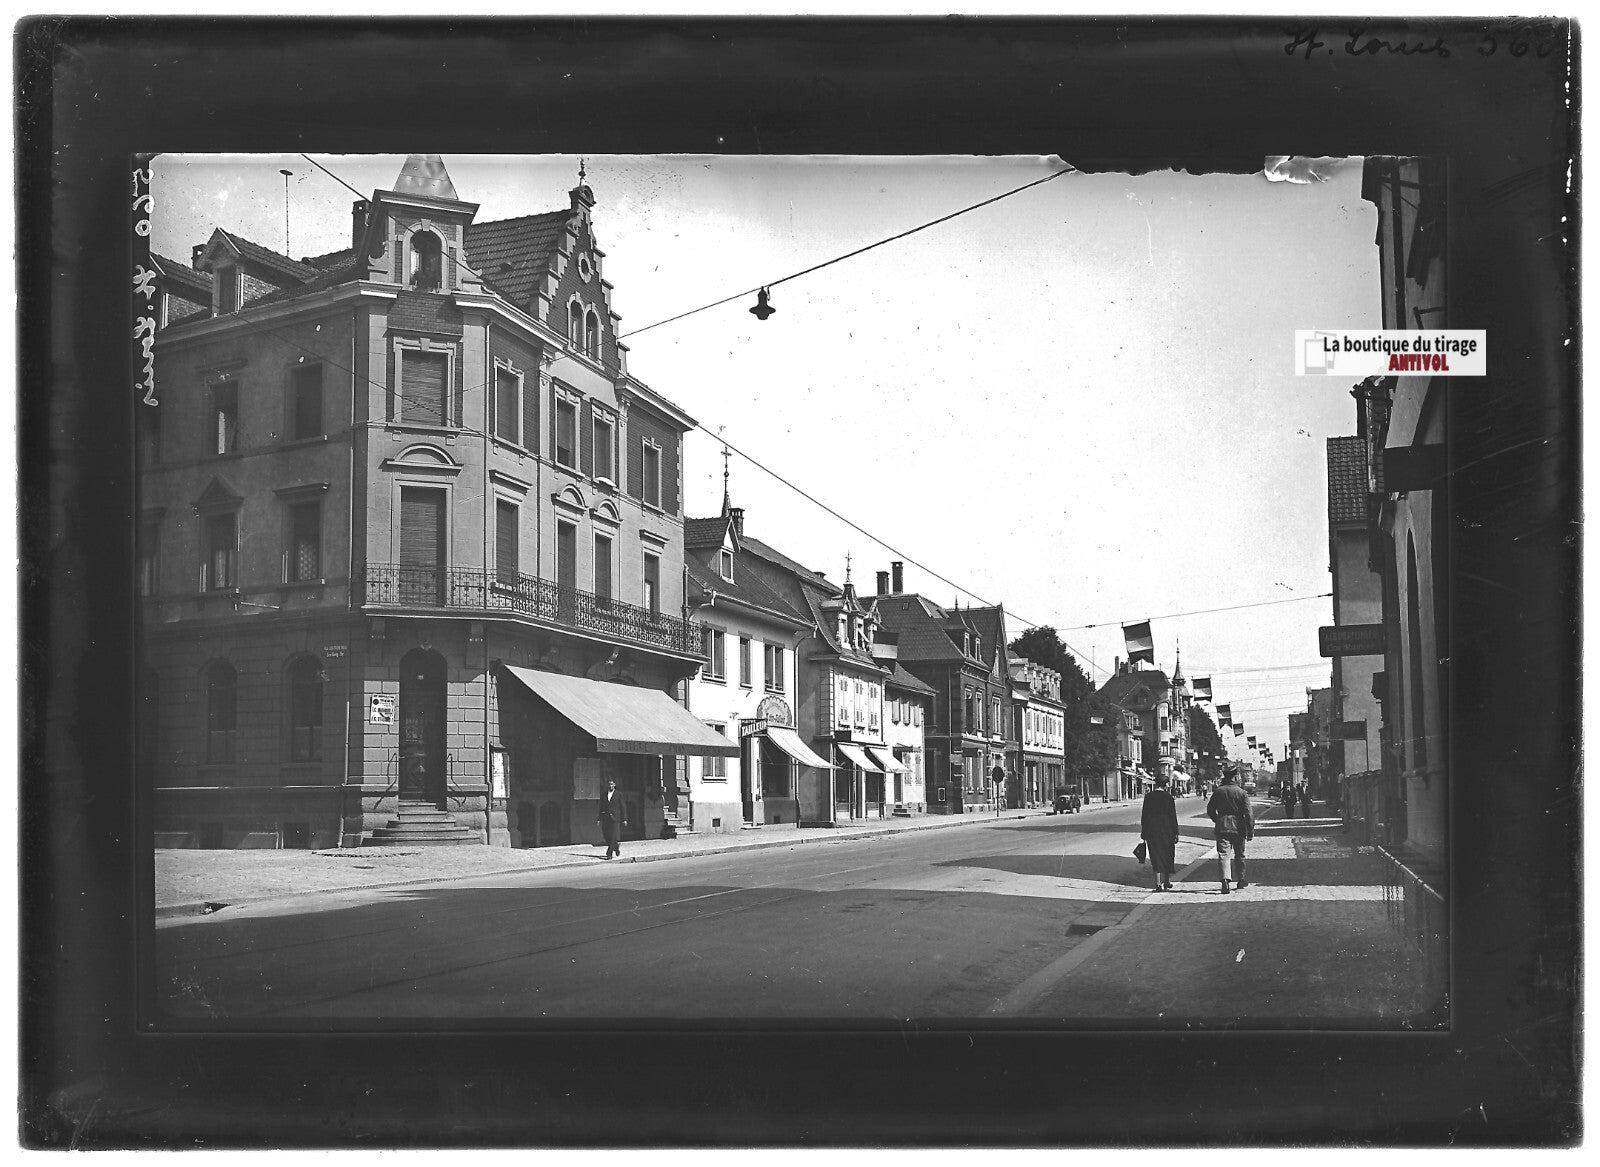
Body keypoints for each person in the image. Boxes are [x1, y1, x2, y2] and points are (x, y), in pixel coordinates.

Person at [1206, 766, 1254, 894]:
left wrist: (1217, 819)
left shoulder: (1218, 792)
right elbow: (1249, 814)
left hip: (1222, 826)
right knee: (1240, 854)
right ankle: (1241, 879)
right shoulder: (1242, 793)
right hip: (1238, 826)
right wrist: (1250, 830)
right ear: (1235, 777)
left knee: (1223, 854)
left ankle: (1225, 881)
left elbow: (1210, 809)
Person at [1140, 773, 1180, 891]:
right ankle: (1166, 881)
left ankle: (1158, 883)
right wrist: (1176, 832)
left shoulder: (1149, 797)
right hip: (1167, 829)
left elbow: (1144, 815)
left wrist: (1144, 831)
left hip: (1152, 829)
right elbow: (1173, 816)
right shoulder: (1169, 797)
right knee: (1168, 854)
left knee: (1155, 855)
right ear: (1165, 785)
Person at [597, 778, 626, 859]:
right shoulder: (604, 794)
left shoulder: (619, 794)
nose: (610, 786)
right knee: (606, 835)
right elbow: (601, 807)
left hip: (615, 818)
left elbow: (623, 807)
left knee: (613, 836)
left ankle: (609, 853)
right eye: (609, 784)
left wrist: (624, 819)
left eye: (612, 784)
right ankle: (616, 847)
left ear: (614, 785)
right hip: (606, 818)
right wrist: (599, 818)